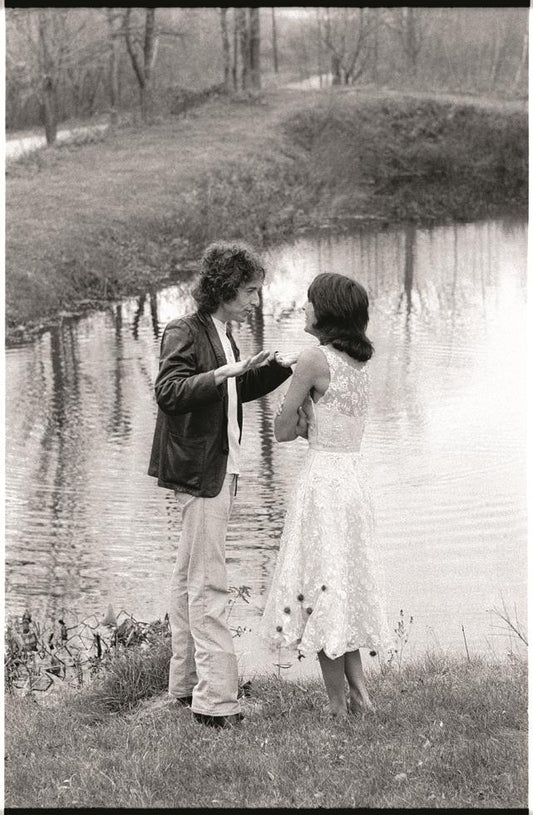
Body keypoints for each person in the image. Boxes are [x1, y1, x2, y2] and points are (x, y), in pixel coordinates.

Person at [148, 241, 293, 729]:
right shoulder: (183, 330)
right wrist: (221, 372)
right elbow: (168, 393)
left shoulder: (223, 332)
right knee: (207, 583)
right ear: (226, 287)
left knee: (188, 575)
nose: (255, 300)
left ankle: (188, 686)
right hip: (199, 470)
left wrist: (274, 369)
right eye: (250, 291)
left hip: (221, 465)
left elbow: (231, 390)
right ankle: (216, 703)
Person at [261, 272, 393, 718]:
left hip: (322, 485)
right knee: (341, 584)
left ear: (326, 311)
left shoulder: (314, 360)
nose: (304, 308)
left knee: (318, 587)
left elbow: (281, 431)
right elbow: (327, 419)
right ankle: (361, 697)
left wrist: (294, 404)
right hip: (353, 480)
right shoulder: (356, 363)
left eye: (310, 302)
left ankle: (338, 705)